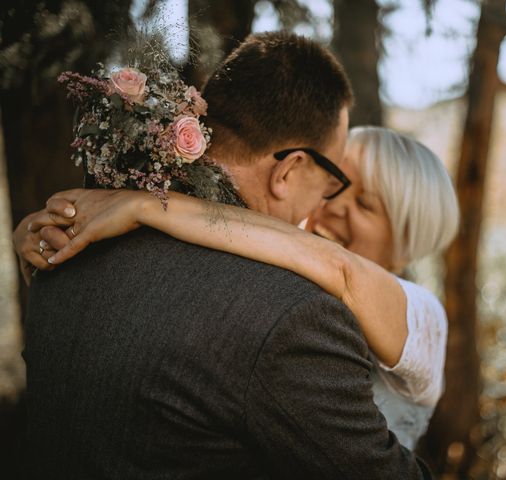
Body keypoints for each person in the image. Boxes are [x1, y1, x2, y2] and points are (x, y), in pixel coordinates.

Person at [14, 32, 435, 479]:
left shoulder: (63, 247)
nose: (323, 209)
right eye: (330, 185)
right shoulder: (294, 316)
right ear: (289, 170)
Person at [17, 126, 459, 451]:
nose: (333, 207)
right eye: (335, 186)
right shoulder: (286, 280)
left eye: (364, 204)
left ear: (407, 240)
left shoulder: (425, 317)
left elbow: (343, 272)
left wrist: (146, 206)